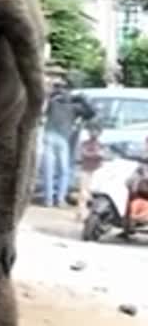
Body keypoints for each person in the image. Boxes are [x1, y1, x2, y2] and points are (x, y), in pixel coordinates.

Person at [41, 79, 96, 208]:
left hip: (50, 137)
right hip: (62, 139)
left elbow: (44, 105)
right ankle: (59, 199)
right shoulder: (74, 107)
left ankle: (49, 199)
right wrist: (81, 99)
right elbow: (91, 113)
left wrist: (55, 93)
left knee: (49, 170)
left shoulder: (54, 103)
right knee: (63, 171)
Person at [77, 123, 104, 220]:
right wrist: (96, 154)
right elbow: (84, 154)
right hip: (86, 170)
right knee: (83, 192)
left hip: (96, 171)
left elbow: (102, 155)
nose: (94, 133)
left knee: (92, 192)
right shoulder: (85, 144)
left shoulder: (100, 145)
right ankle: (81, 213)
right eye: (92, 130)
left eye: (96, 131)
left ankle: (90, 214)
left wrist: (96, 155)